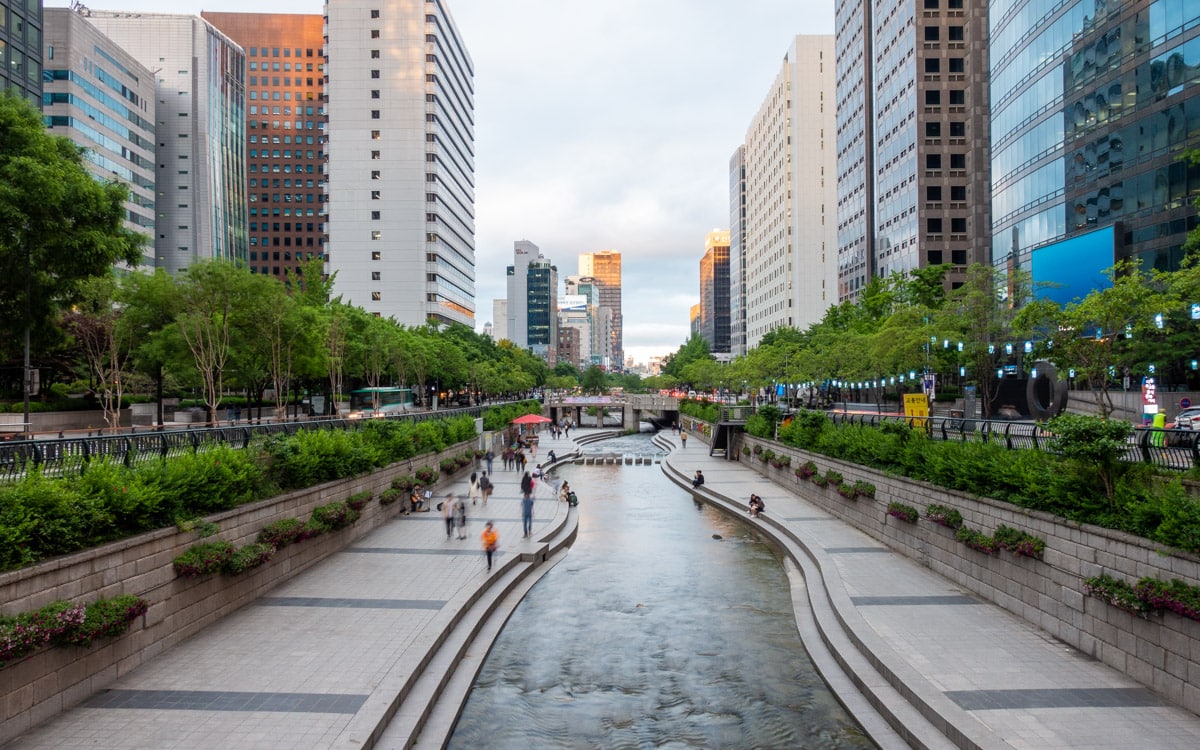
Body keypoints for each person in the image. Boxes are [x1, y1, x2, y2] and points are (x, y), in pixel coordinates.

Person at [520, 471, 534, 537]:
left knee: (529, 523)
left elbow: (522, 484)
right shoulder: (529, 478)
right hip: (526, 513)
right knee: (525, 523)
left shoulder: (524, 478)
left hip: (529, 513)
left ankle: (529, 531)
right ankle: (526, 533)